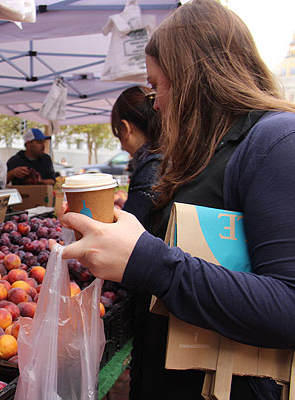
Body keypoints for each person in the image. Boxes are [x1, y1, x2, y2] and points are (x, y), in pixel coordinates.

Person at [59, 0, 295, 398]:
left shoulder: (277, 143)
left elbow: (288, 306)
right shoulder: (202, 154)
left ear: (193, 78)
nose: (158, 104)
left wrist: (148, 261)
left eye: (157, 86)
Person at [111, 85, 162, 227]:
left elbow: (127, 236)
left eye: (117, 133)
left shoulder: (150, 169)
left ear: (125, 128)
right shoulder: (167, 157)